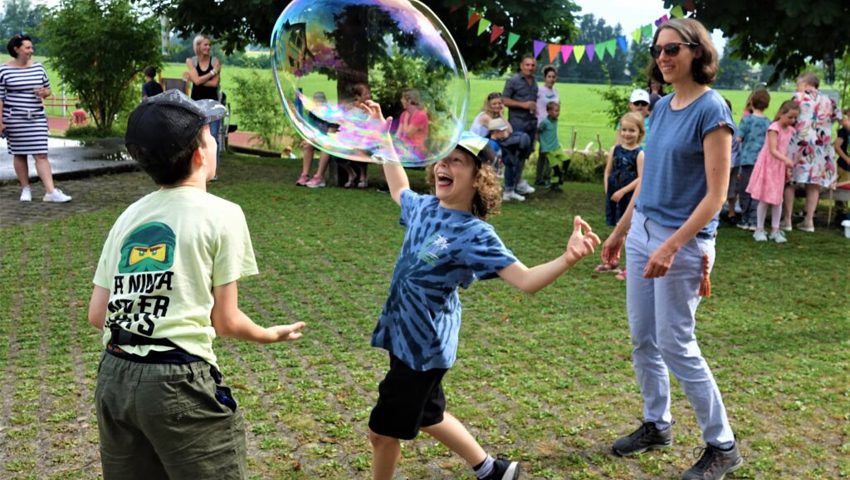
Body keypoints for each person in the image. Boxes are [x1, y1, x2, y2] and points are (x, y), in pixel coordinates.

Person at [362, 99, 600, 480]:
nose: (444, 165)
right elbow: (398, 187)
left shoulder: (476, 234)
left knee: (381, 433)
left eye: (457, 161)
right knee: (429, 414)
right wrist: (384, 139)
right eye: (443, 159)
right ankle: (492, 470)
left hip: (422, 348)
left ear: (479, 178)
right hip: (403, 335)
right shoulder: (424, 207)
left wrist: (567, 258)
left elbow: (525, 280)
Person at [87, 90, 306, 479]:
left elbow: (96, 314)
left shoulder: (128, 217)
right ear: (200, 154)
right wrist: (270, 335)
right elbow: (226, 320)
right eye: (210, 135)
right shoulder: (223, 214)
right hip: (177, 382)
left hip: (114, 378)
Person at [601, 18, 743, 480]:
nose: (663, 57)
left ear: (697, 53)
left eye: (672, 49)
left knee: (676, 344)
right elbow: (649, 183)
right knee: (644, 337)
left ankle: (722, 445)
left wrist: (672, 245)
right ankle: (657, 423)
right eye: (658, 50)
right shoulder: (660, 109)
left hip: (683, 245)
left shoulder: (712, 111)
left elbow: (716, 197)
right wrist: (622, 231)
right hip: (643, 232)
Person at [0, 34, 72, 203]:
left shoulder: (39, 68)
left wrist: (44, 93)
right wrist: (0, 121)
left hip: (37, 117)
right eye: (27, 48)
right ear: (16, 49)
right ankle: (25, 189)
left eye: (31, 47)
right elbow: (0, 98)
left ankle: (50, 191)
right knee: (19, 153)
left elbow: (48, 90)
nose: (31, 51)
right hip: (15, 118)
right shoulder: (3, 71)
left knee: (41, 154)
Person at [782, 72, 840, 232]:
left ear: (807, 84)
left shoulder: (798, 98)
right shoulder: (830, 100)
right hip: (821, 146)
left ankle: (787, 221)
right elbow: (840, 118)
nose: (796, 86)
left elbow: (786, 115)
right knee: (813, 183)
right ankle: (808, 222)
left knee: (791, 180)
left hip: (800, 143)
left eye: (798, 82)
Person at [597, 112, 644, 278]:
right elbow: (608, 171)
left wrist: (624, 191)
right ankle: (612, 261)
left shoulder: (640, 154)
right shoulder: (614, 150)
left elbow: (641, 178)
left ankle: (630, 267)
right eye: (624, 130)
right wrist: (607, 189)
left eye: (631, 130)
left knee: (629, 231)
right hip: (614, 196)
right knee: (618, 229)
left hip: (629, 198)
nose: (627, 134)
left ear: (640, 133)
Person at [746, 100, 800, 243]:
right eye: (790, 117)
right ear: (782, 114)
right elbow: (773, 150)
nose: (792, 120)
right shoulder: (774, 128)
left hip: (779, 167)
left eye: (795, 118)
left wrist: (789, 163)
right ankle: (759, 229)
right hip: (768, 166)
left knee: (778, 199)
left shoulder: (790, 131)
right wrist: (786, 160)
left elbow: (789, 149)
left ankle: (775, 229)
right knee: (764, 199)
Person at [733, 89, 771, 230]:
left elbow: (738, 138)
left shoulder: (747, 120)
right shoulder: (768, 122)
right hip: (762, 161)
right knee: (757, 190)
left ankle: (745, 218)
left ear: (752, 102)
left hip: (748, 159)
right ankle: (755, 220)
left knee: (745, 189)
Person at [501, 55, 538, 196]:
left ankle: (517, 183)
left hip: (531, 123)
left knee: (524, 155)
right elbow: (504, 100)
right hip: (517, 123)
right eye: (527, 65)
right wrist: (523, 105)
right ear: (521, 66)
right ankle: (509, 187)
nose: (530, 68)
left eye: (532, 65)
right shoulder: (513, 80)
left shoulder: (534, 81)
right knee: (513, 155)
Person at [185, 34, 222, 170]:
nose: (208, 47)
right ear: (198, 46)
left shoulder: (215, 61)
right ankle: (197, 168)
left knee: (213, 137)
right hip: (196, 104)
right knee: (196, 137)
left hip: (213, 105)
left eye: (209, 45)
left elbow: (214, 84)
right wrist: (212, 72)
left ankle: (212, 170)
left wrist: (197, 79)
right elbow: (197, 81)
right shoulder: (191, 61)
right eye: (205, 45)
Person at [296, 91, 339, 188]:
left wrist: (318, 139)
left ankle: (319, 177)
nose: (318, 106)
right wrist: (308, 139)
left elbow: (331, 135)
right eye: (316, 103)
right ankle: (305, 175)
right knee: (307, 144)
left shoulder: (332, 115)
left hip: (332, 141)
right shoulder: (313, 112)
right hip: (319, 138)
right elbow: (311, 129)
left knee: (326, 146)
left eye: (320, 103)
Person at [397, 88, 429, 158]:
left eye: (402, 98)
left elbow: (407, 134)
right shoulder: (404, 114)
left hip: (416, 150)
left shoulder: (420, 115)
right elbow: (398, 135)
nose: (401, 100)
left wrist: (406, 120)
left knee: (390, 157)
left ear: (409, 101)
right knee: (385, 151)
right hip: (405, 148)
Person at [535, 101, 560, 188]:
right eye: (555, 111)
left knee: (549, 162)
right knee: (545, 162)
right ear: (549, 112)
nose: (558, 113)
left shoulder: (555, 121)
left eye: (558, 111)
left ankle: (544, 179)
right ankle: (542, 179)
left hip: (552, 146)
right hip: (545, 146)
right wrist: (541, 142)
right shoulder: (545, 122)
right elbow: (538, 132)